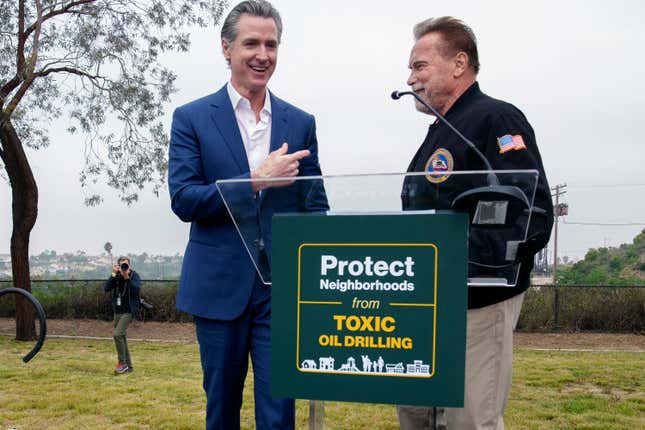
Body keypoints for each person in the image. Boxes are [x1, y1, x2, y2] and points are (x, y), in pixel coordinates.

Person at [167, 1, 326, 429]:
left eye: (271, 44)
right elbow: (184, 199)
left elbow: (315, 207)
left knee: (279, 414)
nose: (263, 54)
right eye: (251, 42)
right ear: (226, 48)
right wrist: (254, 180)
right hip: (219, 290)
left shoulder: (300, 121)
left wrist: (319, 275)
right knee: (221, 411)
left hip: (282, 292)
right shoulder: (191, 118)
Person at [397, 17, 554, 430]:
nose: (410, 77)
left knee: (469, 420)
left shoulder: (496, 120)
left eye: (419, 66)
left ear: (459, 63)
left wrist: (467, 264)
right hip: (425, 303)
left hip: (478, 301)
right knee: (417, 415)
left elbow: (530, 211)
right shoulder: (440, 132)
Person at [104, 256, 141, 374]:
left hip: (129, 311)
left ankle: (122, 363)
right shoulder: (117, 276)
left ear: (129, 265)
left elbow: (136, 290)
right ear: (118, 266)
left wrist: (127, 278)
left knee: (117, 334)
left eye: (125, 265)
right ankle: (129, 367)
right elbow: (106, 288)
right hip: (118, 311)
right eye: (121, 265)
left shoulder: (134, 275)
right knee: (122, 337)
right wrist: (114, 274)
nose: (124, 267)